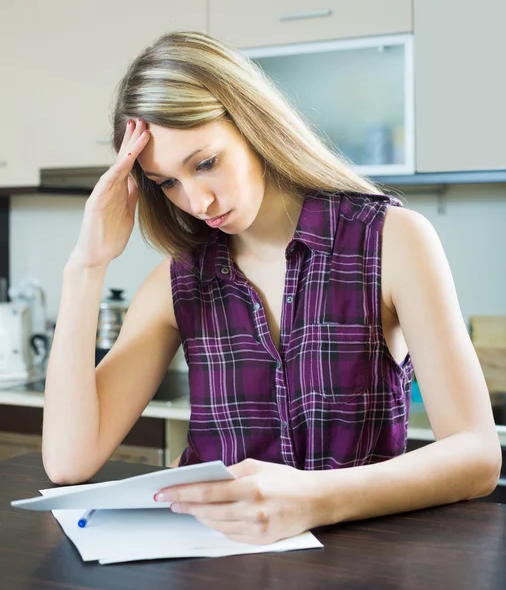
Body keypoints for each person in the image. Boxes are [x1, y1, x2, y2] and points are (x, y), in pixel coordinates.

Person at [42, 31, 501, 545]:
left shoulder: (391, 240)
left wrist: (311, 498)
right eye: (167, 182)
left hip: (356, 567)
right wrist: (86, 265)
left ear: (252, 123)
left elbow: (478, 455)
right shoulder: (178, 279)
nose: (196, 201)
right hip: (208, 568)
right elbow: (67, 462)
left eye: (205, 163)